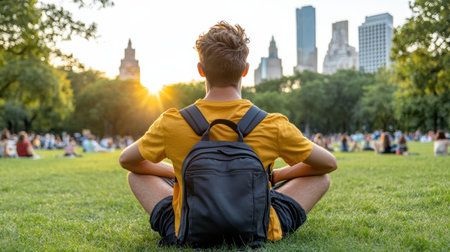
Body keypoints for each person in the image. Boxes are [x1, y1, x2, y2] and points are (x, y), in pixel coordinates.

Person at [119, 21, 337, 246]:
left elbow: (127, 160)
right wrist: (274, 176)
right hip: (257, 230)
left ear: (201, 70)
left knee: (135, 175)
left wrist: (178, 173)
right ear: (245, 69)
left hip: (187, 230)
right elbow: (328, 164)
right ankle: (264, 224)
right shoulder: (273, 124)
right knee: (321, 178)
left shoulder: (172, 122)